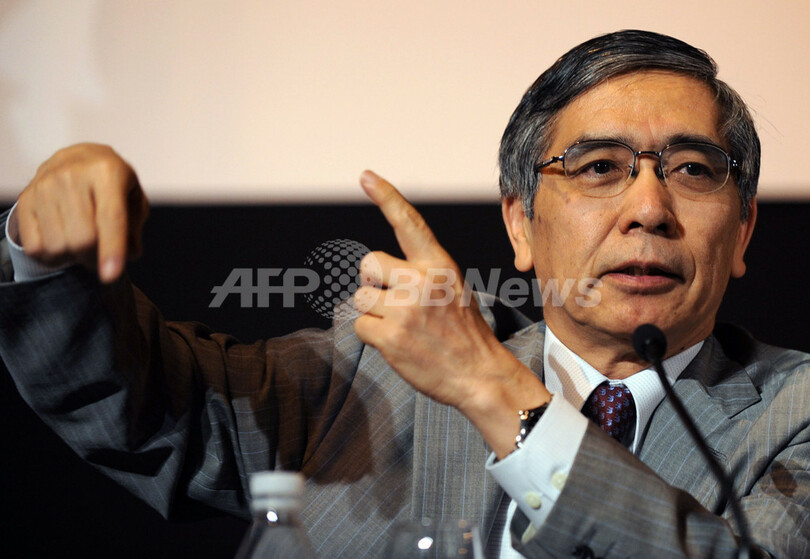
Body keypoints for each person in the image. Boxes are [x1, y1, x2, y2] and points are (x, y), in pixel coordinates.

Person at [0, 29, 807, 558]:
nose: (649, 208)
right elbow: (150, 410)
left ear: (741, 232)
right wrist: (47, 260)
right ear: (521, 224)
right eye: (599, 168)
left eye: (693, 169)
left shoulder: (793, 414)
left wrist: (490, 387)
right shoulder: (376, 377)